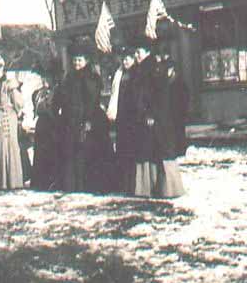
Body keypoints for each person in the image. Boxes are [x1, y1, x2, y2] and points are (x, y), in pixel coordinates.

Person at [128, 37, 185, 198]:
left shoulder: (153, 69)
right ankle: (149, 188)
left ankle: (167, 188)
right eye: (135, 52)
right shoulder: (139, 70)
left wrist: (151, 114)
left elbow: (158, 95)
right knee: (148, 152)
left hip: (155, 120)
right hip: (144, 119)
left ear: (147, 53)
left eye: (138, 52)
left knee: (159, 152)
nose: (136, 55)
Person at [52, 43, 113, 193]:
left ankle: (88, 185)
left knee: (87, 153)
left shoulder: (90, 77)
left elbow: (92, 100)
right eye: (75, 60)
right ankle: (73, 185)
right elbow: (62, 96)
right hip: (70, 120)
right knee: (72, 153)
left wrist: (88, 121)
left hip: (87, 119)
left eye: (80, 60)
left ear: (86, 61)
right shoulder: (70, 77)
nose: (76, 63)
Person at [0, 53, 24, 190]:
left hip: (7, 118)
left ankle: (10, 182)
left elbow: (19, 103)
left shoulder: (9, 84)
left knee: (6, 147)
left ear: (1, 69)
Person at [107, 46, 137, 193]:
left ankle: (133, 183)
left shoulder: (136, 74)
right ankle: (122, 182)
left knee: (132, 150)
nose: (125, 61)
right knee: (122, 149)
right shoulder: (119, 74)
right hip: (122, 117)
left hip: (133, 117)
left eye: (128, 58)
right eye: (123, 58)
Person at [30, 84, 57, 191]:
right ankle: (41, 182)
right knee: (41, 155)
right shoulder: (40, 93)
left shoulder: (53, 91)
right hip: (44, 125)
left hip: (49, 126)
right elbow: (39, 109)